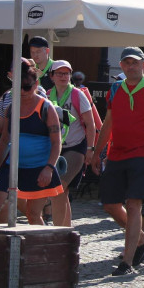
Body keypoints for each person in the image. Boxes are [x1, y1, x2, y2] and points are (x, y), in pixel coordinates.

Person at [92, 47, 144, 276]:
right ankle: (140, 238)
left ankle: (126, 263)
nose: (131, 66)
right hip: (117, 152)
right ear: (121, 66)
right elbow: (108, 123)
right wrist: (97, 152)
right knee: (109, 204)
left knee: (134, 203)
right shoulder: (116, 88)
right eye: (126, 63)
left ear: (143, 64)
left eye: (135, 62)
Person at [0, 59, 66, 226]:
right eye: (18, 87)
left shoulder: (46, 108)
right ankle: (7, 250)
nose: (23, 92)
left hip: (39, 168)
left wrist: (49, 168)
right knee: (0, 211)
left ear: (36, 84)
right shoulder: (11, 108)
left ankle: (40, 248)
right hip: (13, 166)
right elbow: (3, 141)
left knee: (32, 214)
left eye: (27, 87)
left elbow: (56, 142)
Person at [48, 59, 95, 222]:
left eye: (66, 73)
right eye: (59, 73)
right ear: (52, 76)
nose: (63, 77)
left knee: (58, 187)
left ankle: (59, 232)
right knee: (62, 191)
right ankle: (66, 232)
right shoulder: (47, 95)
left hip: (75, 146)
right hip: (55, 147)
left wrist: (90, 149)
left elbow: (90, 124)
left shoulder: (77, 95)